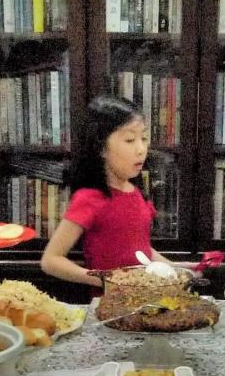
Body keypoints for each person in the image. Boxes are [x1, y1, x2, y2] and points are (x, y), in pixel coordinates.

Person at [40, 96, 183, 289]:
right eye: (130, 140)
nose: (141, 149)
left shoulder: (137, 191)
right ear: (101, 148)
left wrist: (176, 270)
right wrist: (106, 280)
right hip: (110, 310)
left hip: (146, 301)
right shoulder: (89, 199)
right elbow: (51, 260)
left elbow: (139, 249)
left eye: (144, 138)